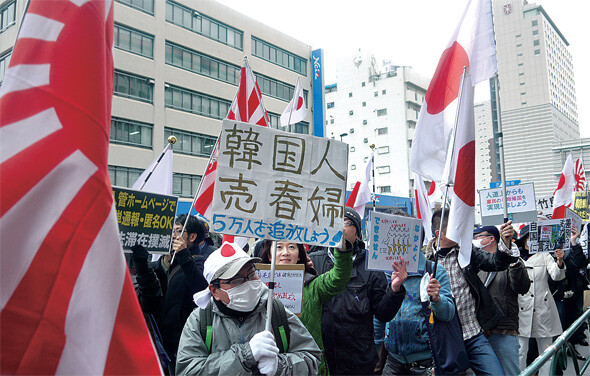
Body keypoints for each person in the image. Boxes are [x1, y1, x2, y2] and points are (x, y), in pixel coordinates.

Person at [176, 242, 321, 375]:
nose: (248, 283)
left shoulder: (275, 310)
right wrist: (245, 354)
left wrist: (281, 366)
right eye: (237, 279)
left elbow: (311, 358)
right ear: (215, 291)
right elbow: (187, 370)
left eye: (251, 274)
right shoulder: (201, 320)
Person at [309, 207, 408, 375]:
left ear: (357, 234)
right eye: (336, 222)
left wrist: (394, 289)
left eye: (347, 223)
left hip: (358, 359)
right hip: (322, 357)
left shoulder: (370, 265)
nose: (340, 227)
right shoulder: (313, 262)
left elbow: (383, 313)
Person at [428, 208, 518, 375]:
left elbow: (494, 263)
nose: (460, 232)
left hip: (473, 333)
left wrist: (505, 243)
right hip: (446, 339)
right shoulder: (427, 261)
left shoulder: (466, 252)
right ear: (438, 232)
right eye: (454, 229)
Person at [260, 239, 353, 375]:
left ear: (299, 255)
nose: (285, 253)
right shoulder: (257, 287)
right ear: (269, 255)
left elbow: (338, 277)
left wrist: (343, 249)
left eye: (291, 247)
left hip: (308, 367)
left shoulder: (313, 286)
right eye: (279, 247)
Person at [153, 214, 215, 374]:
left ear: (193, 236)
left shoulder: (202, 261)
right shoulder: (172, 260)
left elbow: (201, 289)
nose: (173, 236)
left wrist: (182, 254)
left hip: (185, 338)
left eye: (179, 231)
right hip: (167, 336)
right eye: (172, 231)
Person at [474, 225, 531, 376]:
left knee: (508, 372)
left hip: (503, 330)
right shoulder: (474, 263)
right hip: (479, 333)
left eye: (477, 236)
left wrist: (513, 260)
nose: (474, 240)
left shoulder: (510, 260)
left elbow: (522, 287)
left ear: (491, 238)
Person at [515, 225, 566, 376]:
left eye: (534, 238)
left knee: (546, 351)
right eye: (529, 238)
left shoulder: (544, 255)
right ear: (523, 240)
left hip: (543, 308)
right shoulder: (515, 256)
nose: (532, 241)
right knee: (520, 351)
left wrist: (560, 261)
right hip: (521, 309)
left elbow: (557, 275)